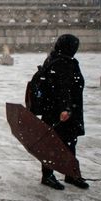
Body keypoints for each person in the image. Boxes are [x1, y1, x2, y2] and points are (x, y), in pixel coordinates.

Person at [38, 34, 89, 190]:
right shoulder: (61, 63)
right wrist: (65, 108)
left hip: (60, 109)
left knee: (68, 142)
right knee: (55, 143)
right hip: (61, 111)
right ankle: (48, 175)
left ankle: (70, 173)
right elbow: (62, 88)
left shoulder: (56, 59)